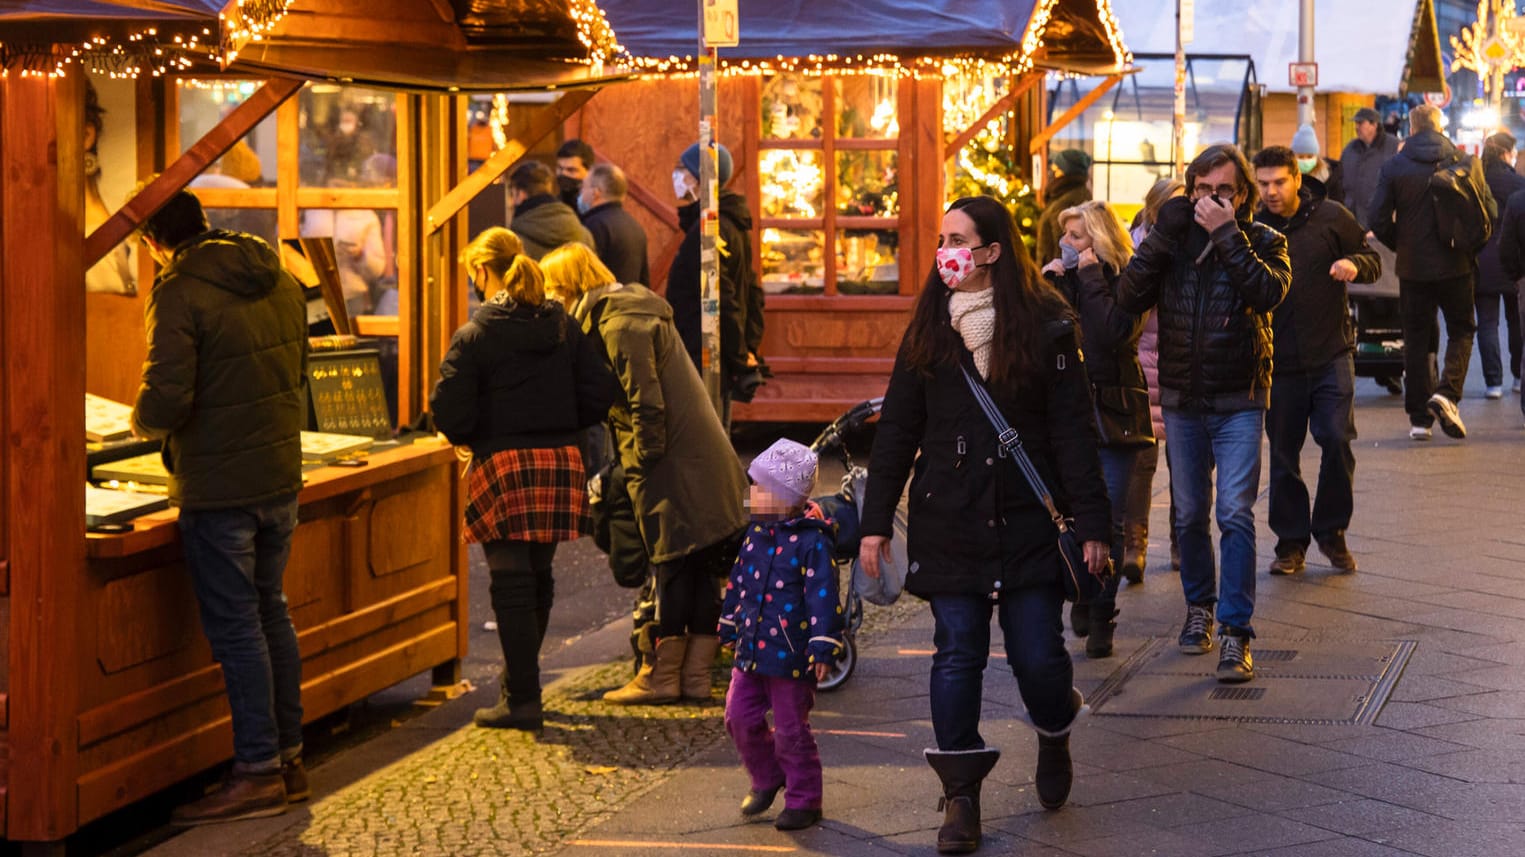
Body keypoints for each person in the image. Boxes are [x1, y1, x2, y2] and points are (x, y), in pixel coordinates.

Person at [858, 196, 1111, 854]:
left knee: (1037, 657)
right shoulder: (929, 327)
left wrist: (1092, 525)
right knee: (956, 654)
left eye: (957, 238)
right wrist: (873, 521)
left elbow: (1074, 432)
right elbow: (897, 432)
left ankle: (1054, 728)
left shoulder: (1048, 325)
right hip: (951, 515)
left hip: (1029, 517)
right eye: (940, 237)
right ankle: (959, 797)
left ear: (992, 250)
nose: (945, 249)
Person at [130, 189, 309, 824]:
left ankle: (257, 772)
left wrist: (139, 421)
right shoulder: (278, 276)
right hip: (279, 477)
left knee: (238, 629)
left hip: (218, 488)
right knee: (271, 615)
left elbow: (165, 400)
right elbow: (300, 372)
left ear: (153, 242)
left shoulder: (178, 288)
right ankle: (288, 758)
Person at [540, 242, 749, 705]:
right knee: (694, 566)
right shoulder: (626, 310)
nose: (552, 299)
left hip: (671, 462)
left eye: (554, 289)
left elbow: (645, 402)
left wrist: (643, 464)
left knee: (673, 562)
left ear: (571, 285)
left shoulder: (620, 324)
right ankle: (692, 680)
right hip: (694, 458)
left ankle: (662, 679)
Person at [430, 228, 618, 731]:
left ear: (480, 271)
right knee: (537, 579)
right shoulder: (561, 325)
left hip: (504, 463)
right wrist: (562, 422)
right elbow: (602, 389)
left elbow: (446, 406)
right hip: (559, 459)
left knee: (512, 585)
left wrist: (475, 433)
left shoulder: (477, 333)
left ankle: (522, 701)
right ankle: (519, 690)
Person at [1118, 144, 1291, 684]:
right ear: (1188, 189)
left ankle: (1236, 632)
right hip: (1184, 398)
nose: (1211, 200)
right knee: (1190, 513)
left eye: (1224, 192)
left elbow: (1267, 293)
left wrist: (1226, 235)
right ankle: (1200, 608)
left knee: (1234, 513)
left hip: (1239, 396)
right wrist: (1162, 234)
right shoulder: (1170, 241)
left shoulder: (1265, 241)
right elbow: (1127, 296)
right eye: (1201, 190)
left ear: (1241, 197)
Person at [1252, 145, 1380, 576]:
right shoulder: (1252, 227)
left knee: (1337, 439)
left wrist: (1354, 264)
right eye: (1263, 183)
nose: (1270, 191)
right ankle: (1290, 544)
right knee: (1284, 455)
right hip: (1278, 360)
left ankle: (1331, 532)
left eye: (1278, 182)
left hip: (1331, 352)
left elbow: (1374, 261)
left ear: (1296, 177)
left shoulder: (1331, 217)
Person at [1042, 200, 1151, 659]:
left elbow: (1111, 336)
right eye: (1065, 236)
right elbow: (1046, 337)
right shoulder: (1062, 280)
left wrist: (1088, 277)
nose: (1068, 244)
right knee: (1071, 513)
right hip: (1069, 414)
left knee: (1110, 520)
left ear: (1100, 241)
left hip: (1116, 414)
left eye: (1078, 237)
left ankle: (1102, 613)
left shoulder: (1126, 280)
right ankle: (1085, 594)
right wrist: (1052, 285)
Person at [719, 438, 845, 832]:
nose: (751, 496)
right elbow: (738, 581)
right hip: (751, 650)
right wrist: (728, 620)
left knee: (792, 730)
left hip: (791, 656)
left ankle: (805, 798)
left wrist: (823, 646)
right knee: (738, 717)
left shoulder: (812, 542)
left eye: (759, 489)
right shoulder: (755, 534)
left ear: (785, 497)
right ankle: (768, 775)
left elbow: (822, 597)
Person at [1368, 103, 1495, 441]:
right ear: (1440, 127)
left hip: (1413, 269)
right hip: (1457, 264)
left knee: (1416, 338)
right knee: (1462, 330)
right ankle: (1447, 394)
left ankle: (1419, 419)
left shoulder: (1394, 167)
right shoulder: (1464, 162)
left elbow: (1377, 219)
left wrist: (1402, 244)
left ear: (1411, 128)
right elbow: (1489, 212)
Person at [666, 141, 767, 416]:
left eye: (682, 170)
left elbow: (724, 296)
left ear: (699, 178)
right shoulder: (729, 223)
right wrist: (746, 348)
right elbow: (752, 291)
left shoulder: (710, 230)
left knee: (707, 435)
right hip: (713, 354)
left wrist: (740, 354)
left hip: (705, 356)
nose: (676, 176)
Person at [1127, 178, 1185, 578]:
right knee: (1139, 463)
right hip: (1142, 368)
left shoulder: (1200, 246)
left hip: (1184, 366)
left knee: (1186, 463)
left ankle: (1183, 541)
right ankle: (1135, 545)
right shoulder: (1132, 252)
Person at [1475, 132, 1525, 399]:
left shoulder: (1476, 182)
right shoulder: (1518, 184)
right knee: (1516, 320)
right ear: (1507, 153)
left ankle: (1493, 382)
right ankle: (1519, 377)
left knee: (1487, 322)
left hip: (1481, 261)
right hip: (1513, 259)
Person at [578, 162, 651, 287]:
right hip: (631, 303)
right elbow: (644, 279)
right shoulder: (635, 226)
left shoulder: (594, 225)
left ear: (596, 193)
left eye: (583, 187)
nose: (580, 193)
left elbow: (584, 277)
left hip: (606, 303)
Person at [508, 160, 594, 261]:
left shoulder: (515, 243)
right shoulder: (584, 235)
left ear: (521, 194)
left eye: (512, 194)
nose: (511, 202)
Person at [1340, 107, 1399, 228]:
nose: (1356, 127)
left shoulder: (1393, 147)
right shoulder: (1350, 149)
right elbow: (1340, 180)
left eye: (1360, 123)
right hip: (1352, 219)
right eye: (1356, 123)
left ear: (1374, 125)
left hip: (1380, 222)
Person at [1036, 148, 1093, 265]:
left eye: (1057, 170)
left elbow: (1063, 246)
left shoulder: (1069, 200)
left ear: (1067, 173)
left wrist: (1055, 276)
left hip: (1056, 273)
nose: (1053, 174)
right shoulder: (1062, 194)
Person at [1291, 124, 1344, 210]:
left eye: (1309, 156)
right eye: (1300, 157)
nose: (1305, 161)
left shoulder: (1330, 178)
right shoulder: (1287, 178)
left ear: (1316, 156)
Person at [556, 138, 595, 210]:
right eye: (560, 168)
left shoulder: (596, 207)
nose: (563, 174)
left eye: (571, 170)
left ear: (589, 172)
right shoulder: (554, 205)